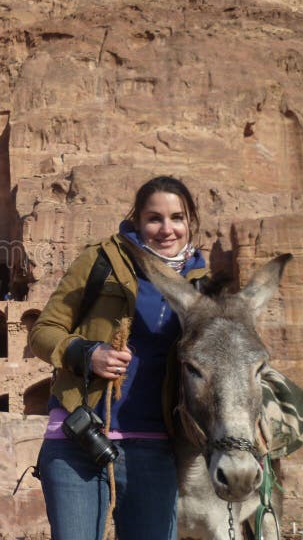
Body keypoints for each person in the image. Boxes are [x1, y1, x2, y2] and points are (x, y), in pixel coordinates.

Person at [29, 175, 207, 540]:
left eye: (177, 218)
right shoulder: (102, 260)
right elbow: (43, 332)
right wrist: (87, 353)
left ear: (191, 222)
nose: (166, 229)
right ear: (138, 220)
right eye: (154, 218)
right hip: (80, 438)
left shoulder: (201, 283)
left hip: (156, 447)